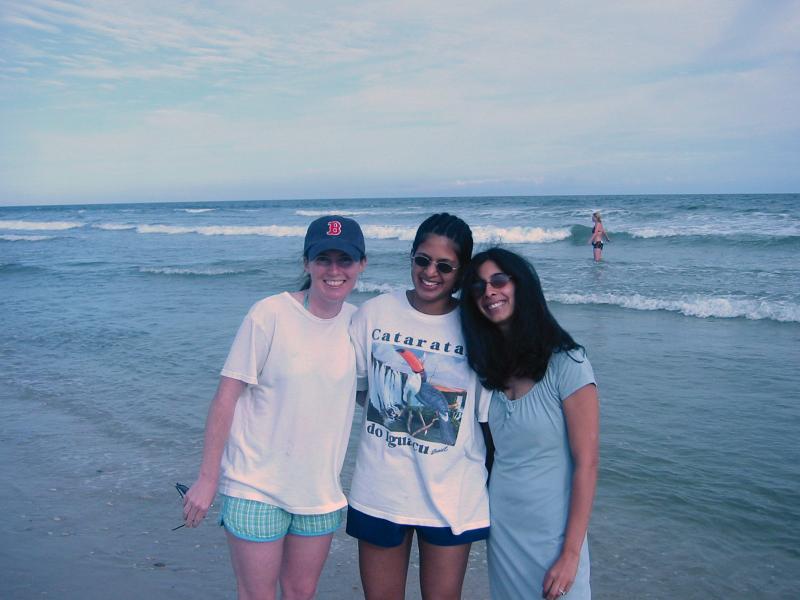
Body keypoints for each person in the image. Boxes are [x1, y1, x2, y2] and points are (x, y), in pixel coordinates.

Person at [181, 216, 367, 600]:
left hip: (319, 492)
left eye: (345, 260)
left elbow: (370, 395)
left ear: (361, 265)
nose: (334, 271)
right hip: (256, 486)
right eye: (323, 259)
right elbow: (226, 397)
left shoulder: (358, 324)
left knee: (301, 593)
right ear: (306, 263)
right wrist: (207, 479)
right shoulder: (269, 314)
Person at [347, 213, 490, 600]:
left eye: (445, 266)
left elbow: (484, 416)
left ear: (461, 272)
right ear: (411, 257)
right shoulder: (374, 313)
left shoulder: (476, 326)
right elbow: (359, 391)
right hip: (381, 491)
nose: (430, 272)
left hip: (452, 495)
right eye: (423, 260)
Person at [460, 247, 600, 600]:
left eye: (499, 280)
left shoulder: (568, 362)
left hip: (554, 538)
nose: (489, 292)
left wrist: (571, 554)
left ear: (521, 285)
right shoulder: (486, 369)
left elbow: (587, 463)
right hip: (503, 532)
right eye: (478, 287)